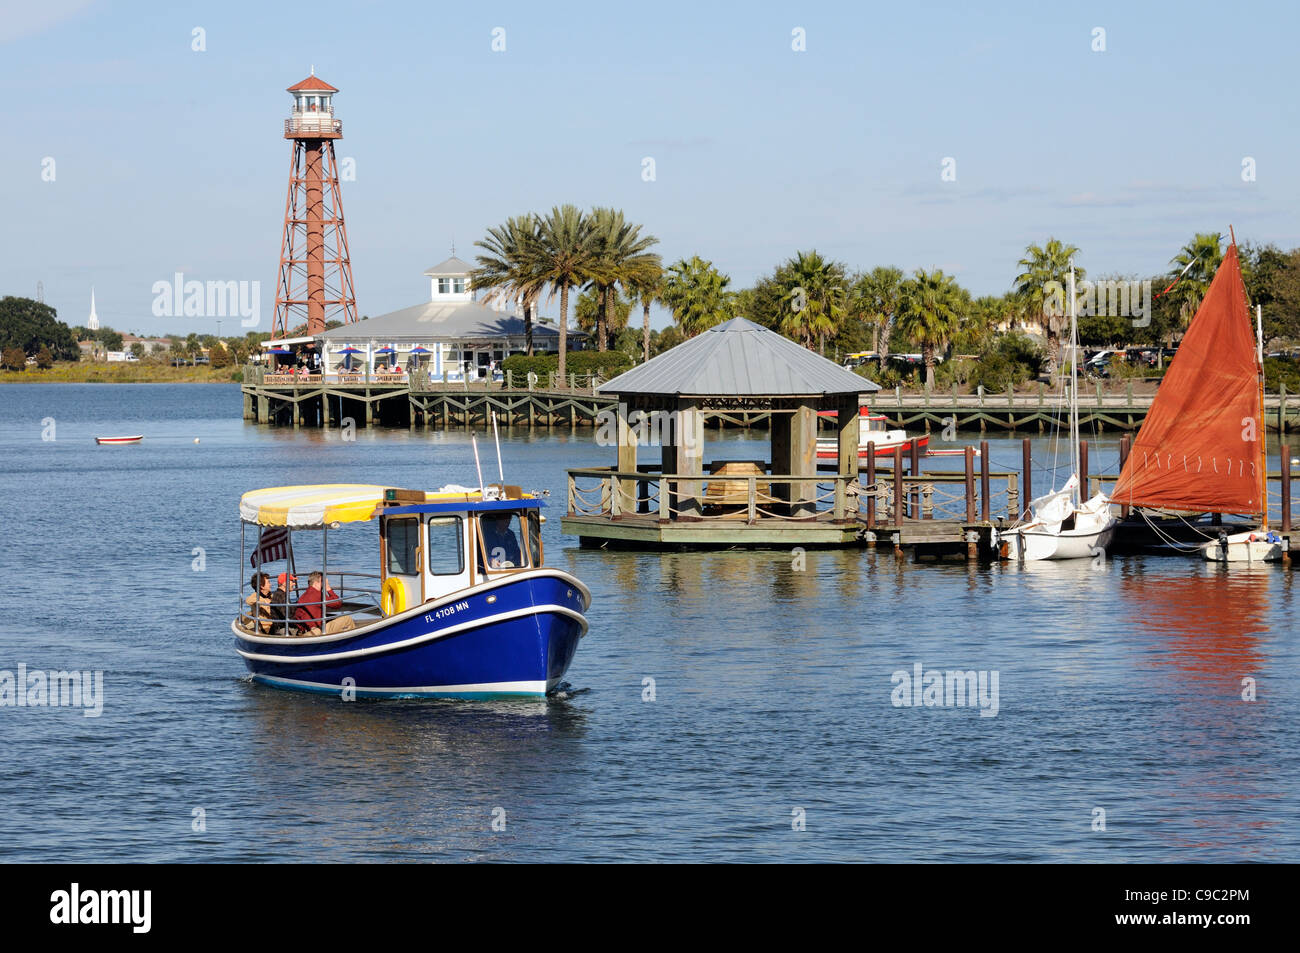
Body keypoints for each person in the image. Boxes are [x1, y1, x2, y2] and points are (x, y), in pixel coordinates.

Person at [293, 571, 356, 636]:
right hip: (316, 631)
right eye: (323, 582)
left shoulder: (304, 595)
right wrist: (328, 588)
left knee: (331, 618)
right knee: (346, 619)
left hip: (305, 630)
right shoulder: (317, 594)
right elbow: (338, 603)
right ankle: (353, 639)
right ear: (317, 582)